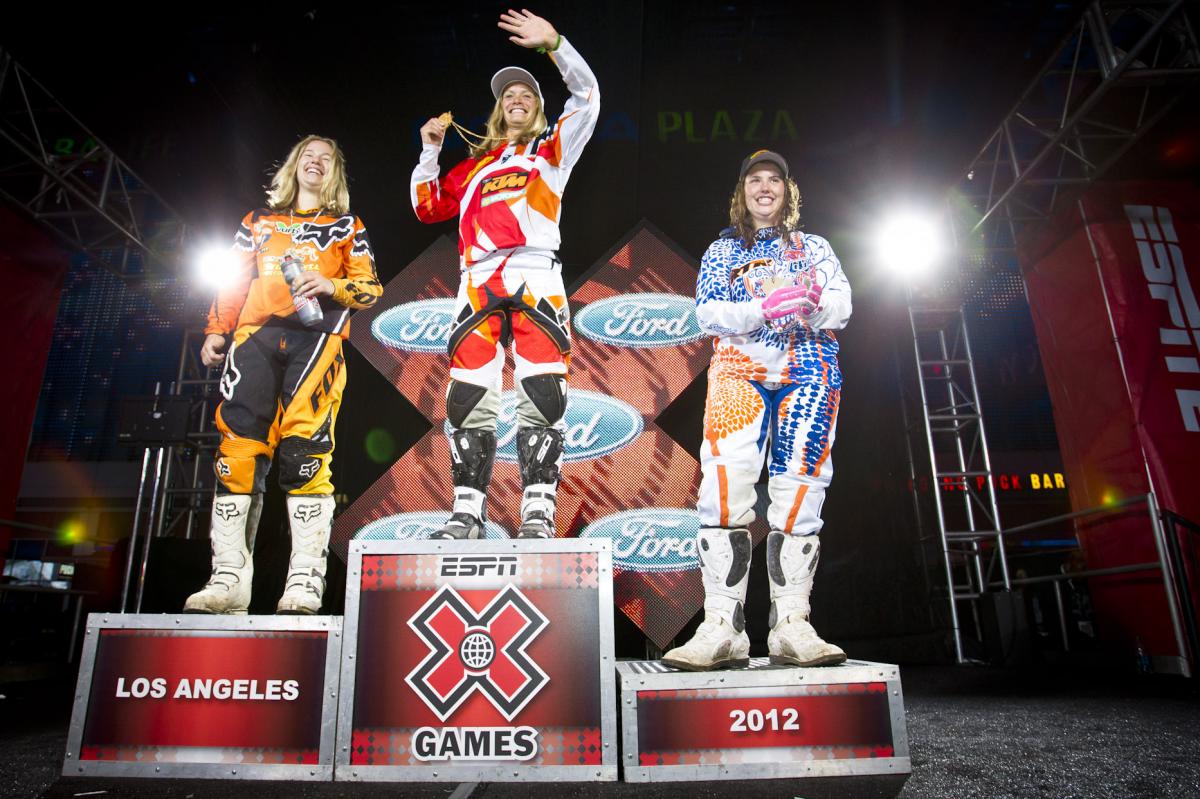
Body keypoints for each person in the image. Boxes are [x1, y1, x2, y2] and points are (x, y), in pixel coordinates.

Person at [410, 9, 599, 539]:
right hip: (477, 278)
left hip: (536, 273)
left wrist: (555, 44)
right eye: (507, 96)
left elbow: (587, 98)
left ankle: (537, 509)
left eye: (527, 96)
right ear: (497, 110)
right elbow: (427, 207)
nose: (516, 100)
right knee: (468, 395)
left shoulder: (551, 151)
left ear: (538, 109)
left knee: (542, 391)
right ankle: (467, 512)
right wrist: (429, 151)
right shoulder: (473, 167)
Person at [663, 150, 850, 670]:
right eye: (754, 181)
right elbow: (706, 312)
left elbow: (844, 304)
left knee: (800, 493)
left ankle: (793, 624)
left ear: (788, 192)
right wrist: (760, 309)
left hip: (809, 367)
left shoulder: (815, 248)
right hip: (740, 368)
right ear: (742, 193)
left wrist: (812, 304)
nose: (764, 188)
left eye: (774, 180)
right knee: (724, 490)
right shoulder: (724, 250)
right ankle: (723, 626)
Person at [185, 134, 382, 614]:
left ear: (334, 174)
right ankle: (228, 579)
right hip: (252, 338)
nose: (316, 162)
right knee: (238, 451)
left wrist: (331, 283)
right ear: (293, 167)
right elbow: (232, 278)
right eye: (308, 156)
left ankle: (305, 580)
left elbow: (370, 288)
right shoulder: (258, 221)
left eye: (326, 158)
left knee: (306, 452)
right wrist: (216, 329)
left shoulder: (347, 225)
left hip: (317, 339)